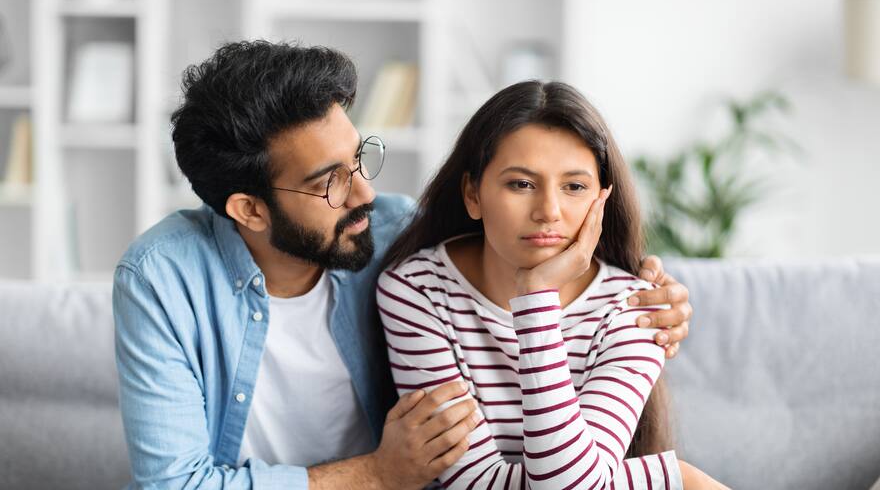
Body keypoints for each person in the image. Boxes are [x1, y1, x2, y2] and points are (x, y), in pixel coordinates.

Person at [113, 41, 694, 490]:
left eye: (358, 158)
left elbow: (530, 244)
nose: (366, 194)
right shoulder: (161, 280)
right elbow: (174, 483)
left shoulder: (392, 233)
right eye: (329, 183)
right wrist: (377, 475)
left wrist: (656, 295)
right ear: (250, 209)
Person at [378, 81, 727, 489]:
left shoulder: (637, 309)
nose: (548, 211)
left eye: (574, 187)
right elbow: (474, 483)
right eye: (521, 184)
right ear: (473, 194)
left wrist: (535, 297)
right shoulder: (417, 290)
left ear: (602, 199)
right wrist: (674, 480)